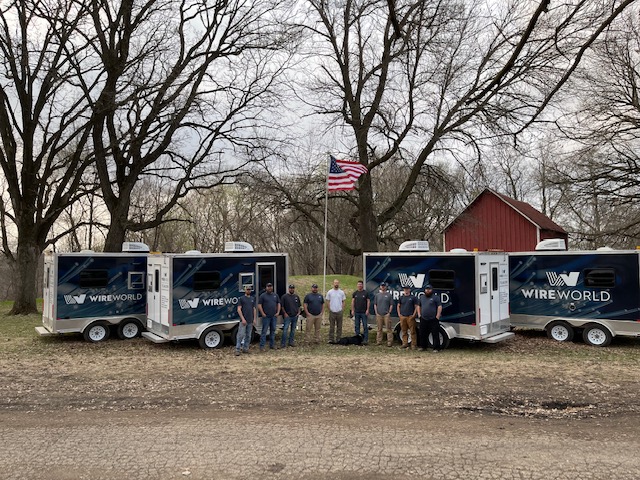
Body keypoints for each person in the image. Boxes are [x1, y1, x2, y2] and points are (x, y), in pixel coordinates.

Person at [418, 284, 443, 352]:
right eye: (426, 289)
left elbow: (439, 306)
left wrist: (437, 316)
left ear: (432, 290)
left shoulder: (435, 297)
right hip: (423, 318)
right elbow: (419, 306)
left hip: (433, 319)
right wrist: (419, 314)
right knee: (422, 333)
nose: (428, 290)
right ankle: (423, 347)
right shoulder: (422, 297)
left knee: (435, 334)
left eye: (429, 289)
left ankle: (436, 348)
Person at [258, 282, 280, 352]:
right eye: (268, 286)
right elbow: (259, 305)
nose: (270, 288)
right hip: (266, 317)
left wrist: (278, 312)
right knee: (264, 332)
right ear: (266, 288)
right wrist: (262, 313)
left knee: (273, 331)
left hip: (274, 316)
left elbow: (278, 303)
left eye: (271, 286)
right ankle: (262, 346)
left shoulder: (275, 295)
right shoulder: (262, 296)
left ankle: (272, 345)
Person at [236, 285, 256, 355]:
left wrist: (254, 319)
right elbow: (239, 309)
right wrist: (243, 319)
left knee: (248, 336)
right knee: (240, 335)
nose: (248, 291)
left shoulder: (252, 299)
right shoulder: (241, 298)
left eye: (249, 290)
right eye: (247, 289)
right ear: (245, 290)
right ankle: (237, 349)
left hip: (250, 320)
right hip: (243, 321)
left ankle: (245, 348)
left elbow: (254, 309)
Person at [397, 285, 419, 349]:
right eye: (404, 289)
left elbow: (416, 306)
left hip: (410, 317)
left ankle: (414, 345)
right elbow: (398, 306)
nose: (406, 290)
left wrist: (414, 315)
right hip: (403, 317)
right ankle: (405, 343)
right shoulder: (401, 297)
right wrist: (399, 314)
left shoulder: (413, 297)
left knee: (412, 331)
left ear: (409, 290)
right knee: (404, 331)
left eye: (407, 289)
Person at [280, 284, 301, 348]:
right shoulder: (284, 297)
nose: (292, 289)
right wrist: (285, 313)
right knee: (285, 329)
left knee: (293, 330)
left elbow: (299, 306)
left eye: (293, 288)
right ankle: (283, 343)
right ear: (288, 289)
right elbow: (282, 306)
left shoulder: (296, 297)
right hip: (288, 316)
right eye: (290, 288)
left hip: (295, 316)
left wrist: (298, 312)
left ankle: (291, 342)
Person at [326, 279, 346, 343]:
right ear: (333, 283)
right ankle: (331, 339)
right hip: (332, 311)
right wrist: (329, 309)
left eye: (337, 283)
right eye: (335, 283)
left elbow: (343, 301)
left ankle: (338, 338)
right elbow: (327, 301)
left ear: (339, 284)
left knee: (339, 326)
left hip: (339, 311)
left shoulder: (341, 292)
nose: (336, 284)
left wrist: (342, 309)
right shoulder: (330, 292)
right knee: (332, 326)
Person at [374, 282, 394, 346]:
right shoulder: (377, 295)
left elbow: (391, 304)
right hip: (379, 314)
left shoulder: (389, 295)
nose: (383, 287)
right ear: (380, 287)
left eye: (384, 286)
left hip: (386, 315)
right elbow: (375, 304)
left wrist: (389, 312)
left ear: (386, 287)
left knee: (388, 329)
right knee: (379, 329)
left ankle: (389, 342)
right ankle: (379, 341)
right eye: (382, 286)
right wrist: (376, 312)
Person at [351, 280, 370, 345]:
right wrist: (352, 310)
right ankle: (357, 340)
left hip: (364, 313)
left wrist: (367, 310)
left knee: (365, 326)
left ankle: (365, 339)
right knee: (357, 326)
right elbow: (353, 302)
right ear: (357, 285)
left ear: (362, 285)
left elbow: (368, 301)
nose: (359, 285)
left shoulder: (366, 293)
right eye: (358, 284)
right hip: (357, 312)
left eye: (360, 284)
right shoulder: (355, 293)